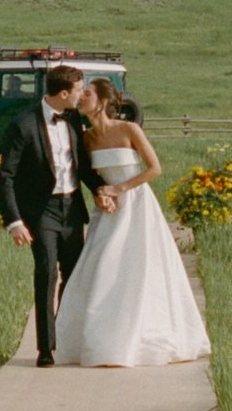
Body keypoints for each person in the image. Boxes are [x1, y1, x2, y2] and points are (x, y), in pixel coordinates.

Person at [53, 76, 210, 367]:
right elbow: (92, 177)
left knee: (139, 268)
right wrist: (103, 193)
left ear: (101, 102)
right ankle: (102, 341)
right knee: (103, 267)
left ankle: (140, 337)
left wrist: (120, 189)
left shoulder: (129, 129)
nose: (81, 97)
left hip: (137, 204)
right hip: (109, 210)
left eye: (87, 93)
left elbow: (155, 169)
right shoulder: (86, 138)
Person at [0, 64, 115, 368]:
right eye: (79, 90)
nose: (81, 95)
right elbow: (6, 176)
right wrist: (14, 221)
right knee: (47, 272)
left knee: (74, 276)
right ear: (64, 93)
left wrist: (101, 190)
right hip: (42, 211)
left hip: (72, 209)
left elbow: (84, 167)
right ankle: (46, 349)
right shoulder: (22, 125)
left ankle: (66, 338)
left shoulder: (74, 119)